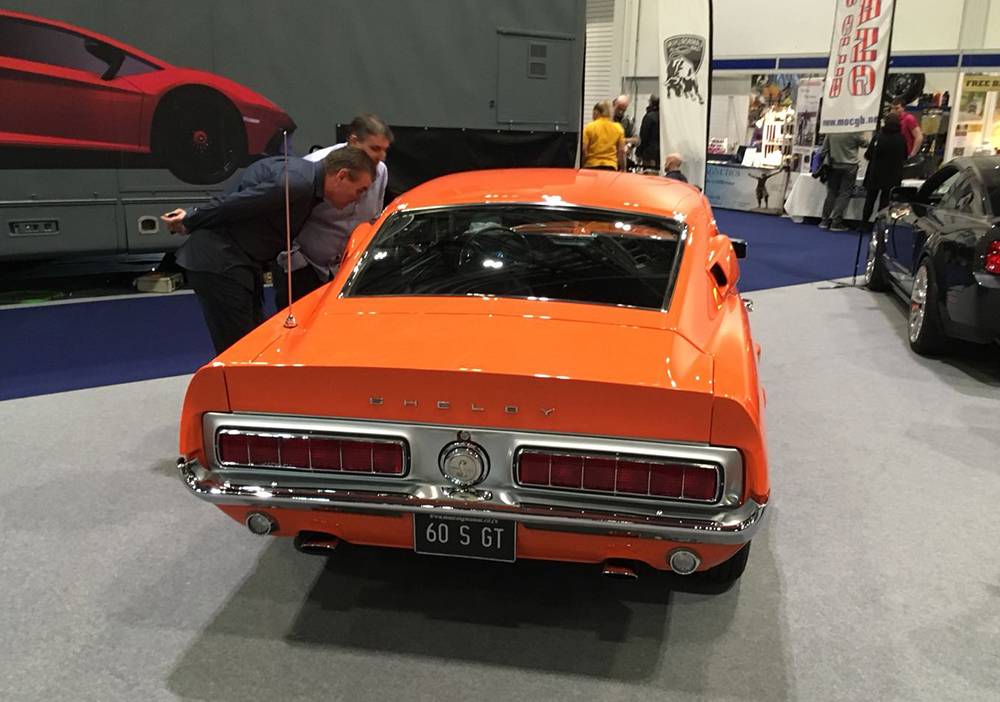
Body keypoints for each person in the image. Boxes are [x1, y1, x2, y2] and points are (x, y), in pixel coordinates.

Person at [160, 148, 376, 355]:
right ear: (341, 175)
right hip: (221, 262)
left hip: (235, 263)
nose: (357, 199)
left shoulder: (300, 175)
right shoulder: (298, 184)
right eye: (360, 190)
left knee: (252, 343)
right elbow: (235, 205)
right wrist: (191, 218)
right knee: (240, 350)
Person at [273, 114, 393, 311]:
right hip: (302, 268)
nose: (381, 157)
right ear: (354, 140)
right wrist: (297, 264)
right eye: (375, 148)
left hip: (344, 272)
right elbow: (281, 222)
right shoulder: (314, 166)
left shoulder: (382, 172)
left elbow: (372, 219)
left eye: (385, 150)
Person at [861, 113, 908, 232]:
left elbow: (868, 155)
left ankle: (864, 224)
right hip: (892, 175)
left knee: (870, 200)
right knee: (885, 203)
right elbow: (905, 156)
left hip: (875, 174)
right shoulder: (901, 138)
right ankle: (879, 226)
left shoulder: (878, 137)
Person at [819, 130, 869, 231]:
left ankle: (824, 220)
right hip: (850, 166)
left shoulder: (831, 132)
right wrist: (863, 135)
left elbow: (824, 150)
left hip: (834, 165)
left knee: (831, 192)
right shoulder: (853, 133)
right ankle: (836, 222)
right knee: (844, 193)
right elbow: (866, 144)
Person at [581, 101, 625, 171]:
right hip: (610, 166)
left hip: (591, 165)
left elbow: (584, 150)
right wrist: (623, 167)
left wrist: (582, 164)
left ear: (596, 112)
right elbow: (621, 151)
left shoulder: (589, 127)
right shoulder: (618, 128)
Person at [635, 94, 660, 171]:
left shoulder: (649, 116)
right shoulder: (662, 116)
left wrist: (638, 153)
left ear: (650, 102)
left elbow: (643, 136)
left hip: (649, 153)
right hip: (660, 153)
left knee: (649, 173)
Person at [612, 94, 639, 164]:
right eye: (619, 108)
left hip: (621, 158)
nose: (620, 112)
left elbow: (637, 140)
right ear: (614, 105)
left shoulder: (628, 122)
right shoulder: (606, 120)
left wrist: (628, 144)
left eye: (623, 110)